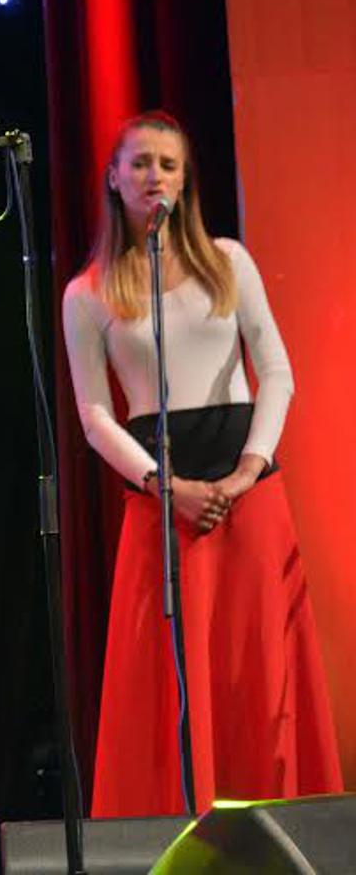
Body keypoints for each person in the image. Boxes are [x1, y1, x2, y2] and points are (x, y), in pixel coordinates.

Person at [61, 111, 342, 817]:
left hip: (247, 496)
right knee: (169, 677)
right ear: (113, 177)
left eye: (167, 165)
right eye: (139, 163)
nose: (153, 176)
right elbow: (94, 415)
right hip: (161, 502)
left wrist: (249, 470)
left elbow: (276, 371)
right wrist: (167, 488)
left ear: (184, 181)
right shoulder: (87, 292)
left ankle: (279, 827)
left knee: (258, 670)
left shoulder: (228, 262)